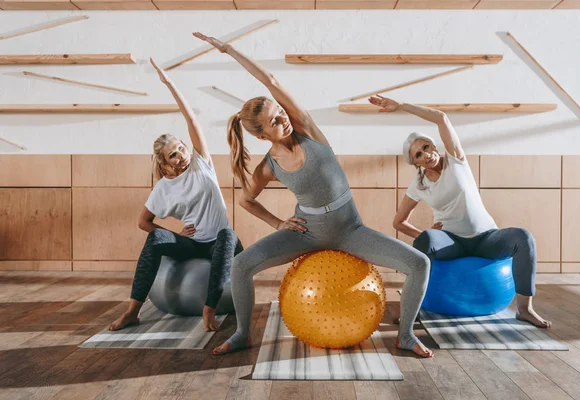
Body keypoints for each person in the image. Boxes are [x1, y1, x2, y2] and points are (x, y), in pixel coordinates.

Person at [193, 32, 434, 358]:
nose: (283, 121)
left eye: (281, 113)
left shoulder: (307, 129)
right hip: (305, 234)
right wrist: (278, 223)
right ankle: (241, 335)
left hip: (350, 231)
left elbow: (271, 79)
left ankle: (405, 336)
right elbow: (245, 199)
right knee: (240, 266)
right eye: (275, 123)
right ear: (264, 136)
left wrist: (229, 49)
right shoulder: (269, 165)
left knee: (418, 263)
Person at [369, 95, 551, 329]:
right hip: (452, 242)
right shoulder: (419, 185)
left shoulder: (456, 160)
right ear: (416, 163)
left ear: (433, 145)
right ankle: (411, 310)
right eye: (418, 155)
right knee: (426, 240)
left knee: (523, 237)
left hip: (487, 238)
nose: (425, 154)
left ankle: (525, 309)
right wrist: (422, 234)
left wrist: (402, 106)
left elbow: (441, 118)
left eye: (426, 147)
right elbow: (398, 221)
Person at [108, 58, 243, 333]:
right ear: (164, 163)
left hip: (220, 242)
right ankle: (132, 311)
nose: (181, 154)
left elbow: (191, 118)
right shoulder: (163, 189)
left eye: (181, 147)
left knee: (228, 234)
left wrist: (168, 83)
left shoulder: (201, 162)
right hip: (193, 244)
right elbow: (143, 222)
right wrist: (177, 234)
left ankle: (209, 310)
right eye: (174, 154)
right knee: (156, 236)